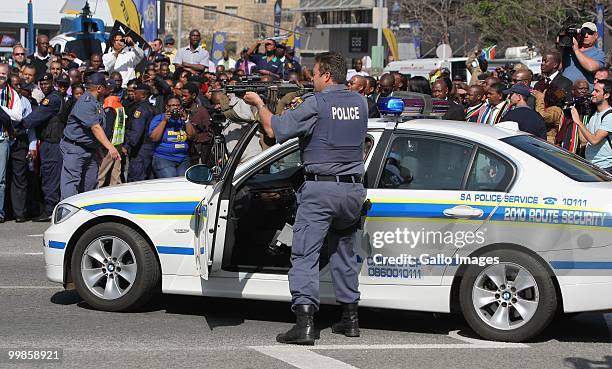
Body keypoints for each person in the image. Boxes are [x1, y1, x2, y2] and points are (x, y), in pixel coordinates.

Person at [243, 51, 368, 346]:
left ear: (326, 74)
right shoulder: (360, 102)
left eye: (313, 74)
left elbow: (275, 129)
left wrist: (260, 104)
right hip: (352, 191)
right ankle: (350, 319)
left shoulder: (317, 103)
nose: (310, 79)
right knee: (344, 254)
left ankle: (304, 324)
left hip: (321, 190)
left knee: (304, 256)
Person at [60, 73, 119, 200]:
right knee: (71, 183)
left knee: (91, 184)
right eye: (105, 86)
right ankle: (67, 216)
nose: (107, 89)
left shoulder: (96, 102)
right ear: (99, 88)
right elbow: (95, 128)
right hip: (75, 148)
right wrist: (110, 148)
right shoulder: (86, 102)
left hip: (90, 149)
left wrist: (98, 149)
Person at [21, 73, 64, 222]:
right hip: (48, 142)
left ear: (52, 83)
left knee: (50, 176)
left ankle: (50, 210)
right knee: (47, 175)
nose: (45, 86)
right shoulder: (50, 98)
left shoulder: (52, 99)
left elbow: (35, 117)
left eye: (47, 83)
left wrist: (18, 126)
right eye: (42, 84)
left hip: (52, 144)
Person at [571, 79, 612, 172]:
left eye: (597, 91)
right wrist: (580, 114)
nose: (592, 93)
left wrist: (578, 122)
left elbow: (594, 140)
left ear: (606, 95)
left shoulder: (609, 116)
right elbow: (584, 140)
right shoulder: (595, 114)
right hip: (591, 164)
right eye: (593, 90)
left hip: (605, 167)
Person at [0, 63, 23, 223]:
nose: (1, 75)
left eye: (3, 73)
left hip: (3, 139)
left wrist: (1, 109)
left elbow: (18, 116)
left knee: (0, 179)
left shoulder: (12, 95)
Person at [148, 96, 193, 177]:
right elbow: (154, 138)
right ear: (167, 107)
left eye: (177, 105)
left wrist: (186, 120)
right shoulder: (159, 118)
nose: (175, 107)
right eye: (172, 105)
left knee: (183, 184)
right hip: (164, 158)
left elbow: (191, 136)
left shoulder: (183, 119)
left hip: (183, 159)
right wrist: (164, 121)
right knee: (171, 182)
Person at [123, 83, 156, 182]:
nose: (134, 95)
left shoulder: (140, 110)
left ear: (142, 95)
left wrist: (127, 145)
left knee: (136, 179)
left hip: (140, 150)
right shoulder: (152, 108)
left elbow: (136, 131)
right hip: (150, 148)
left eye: (136, 93)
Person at [562, 22, 606, 89]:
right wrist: (568, 33)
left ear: (596, 35)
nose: (586, 35)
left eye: (590, 33)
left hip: (582, 94)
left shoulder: (599, 54)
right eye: (583, 32)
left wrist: (576, 50)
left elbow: (591, 68)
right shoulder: (569, 48)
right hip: (562, 92)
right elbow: (557, 41)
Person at [98, 87, 127, 187]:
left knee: (100, 175)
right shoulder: (118, 103)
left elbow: (108, 127)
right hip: (118, 142)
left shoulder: (109, 105)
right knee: (116, 175)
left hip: (110, 145)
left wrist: (104, 145)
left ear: (109, 90)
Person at [182, 82, 213, 166]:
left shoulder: (201, 112)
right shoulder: (180, 109)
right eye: (182, 96)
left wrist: (195, 137)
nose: (183, 98)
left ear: (193, 96)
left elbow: (209, 133)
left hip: (197, 152)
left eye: (185, 96)